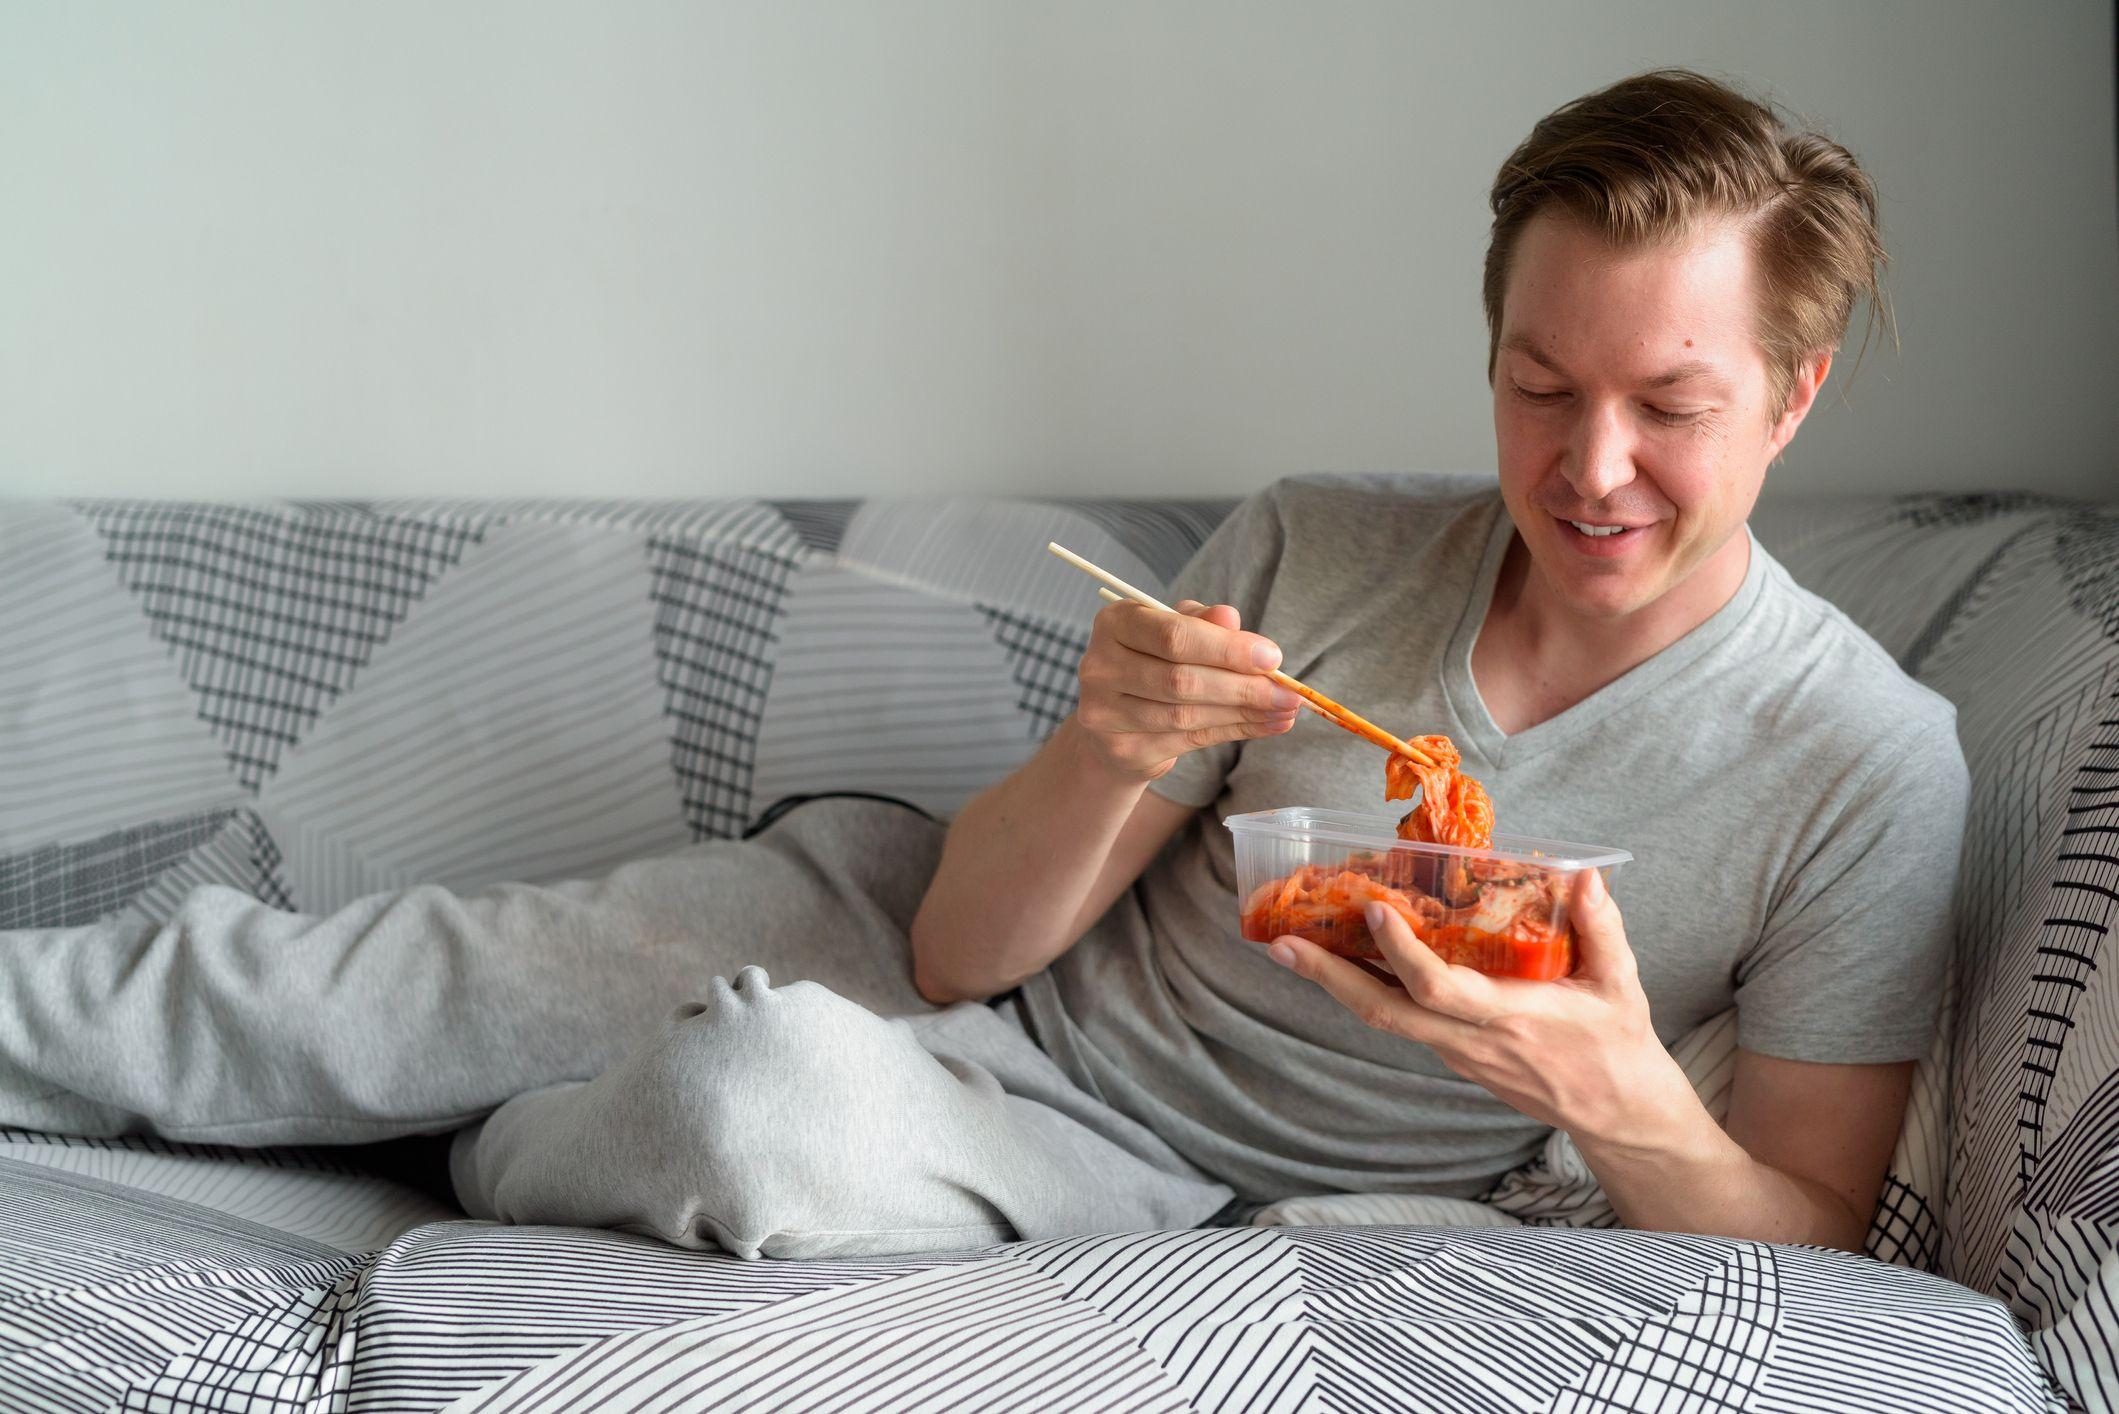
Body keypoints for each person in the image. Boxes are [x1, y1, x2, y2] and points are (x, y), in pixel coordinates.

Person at [0, 70, 1966, 1260]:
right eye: (1535, 386)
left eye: (1666, 405)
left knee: (753, 1111)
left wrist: (1614, 1085)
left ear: (1792, 396)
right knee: (335, 980)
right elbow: (960, 949)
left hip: (1109, 1163)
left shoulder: (1867, 770)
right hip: (908, 933)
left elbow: (1812, 1224)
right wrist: (1113, 743)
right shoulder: (1323, 540)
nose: (1585, 465)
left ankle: (510, 1109)